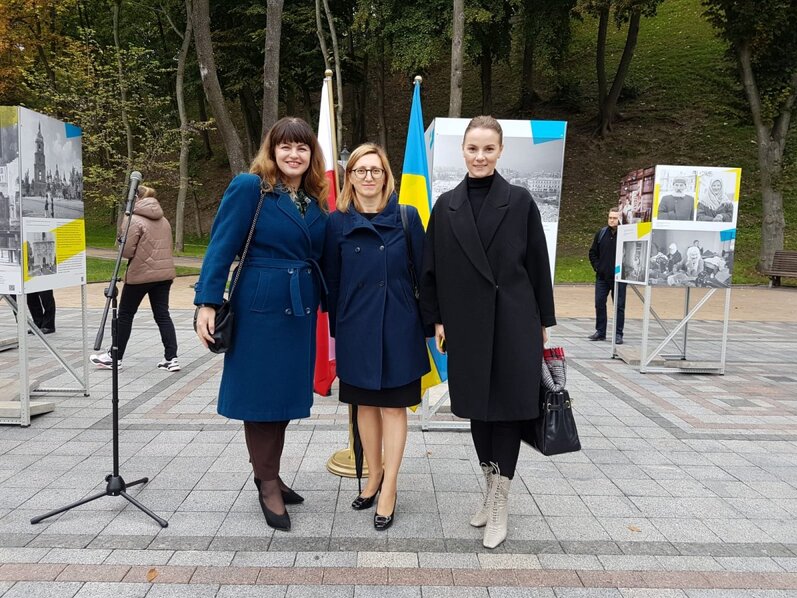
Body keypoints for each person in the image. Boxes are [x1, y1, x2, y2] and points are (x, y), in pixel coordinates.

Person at [420, 116, 556, 549]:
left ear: (500, 152)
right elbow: (431, 270)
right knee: (478, 410)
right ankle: (489, 487)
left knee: (511, 410)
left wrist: (543, 325)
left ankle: (501, 501)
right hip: (466, 323)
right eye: (473, 148)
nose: (480, 157)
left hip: (515, 320)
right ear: (462, 151)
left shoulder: (519, 201)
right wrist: (437, 319)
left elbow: (538, 265)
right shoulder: (445, 206)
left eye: (488, 149)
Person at [194, 117, 328, 532]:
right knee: (262, 400)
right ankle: (266, 482)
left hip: (300, 309)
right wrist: (207, 302)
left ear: (311, 154)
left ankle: (269, 471)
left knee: (283, 399)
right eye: (285, 147)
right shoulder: (251, 187)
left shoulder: (313, 200)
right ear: (271, 151)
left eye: (302, 148)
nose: (293, 154)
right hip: (260, 309)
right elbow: (221, 244)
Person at [323, 143, 430, 531]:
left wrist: (430, 322)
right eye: (360, 170)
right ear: (349, 176)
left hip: (399, 327)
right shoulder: (336, 222)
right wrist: (340, 328)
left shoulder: (407, 217)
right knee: (364, 407)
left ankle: (391, 488)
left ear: (387, 176)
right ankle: (373, 475)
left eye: (375, 170)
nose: (368, 176)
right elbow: (331, 280)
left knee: (393, 408)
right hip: (356, 328)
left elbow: (425, 273)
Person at [90, 185, 179, 372]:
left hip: (140, 274)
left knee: (125, 315)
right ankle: (171, 358)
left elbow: (127, 251)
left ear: (136, 199)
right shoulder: (163, 220)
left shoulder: (134, 220)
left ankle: (116, 356)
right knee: (162, 315)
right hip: (163, 274)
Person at [588, 209, 626, 345]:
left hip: (619, 277)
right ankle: (600, 332)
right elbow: (592, 252)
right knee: (599, 303)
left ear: (620, 219)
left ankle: (618, 334)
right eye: (610, 217)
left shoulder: (625, 234)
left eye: (615, 218)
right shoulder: (601, 233)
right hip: (602, 277)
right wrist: (597, 267)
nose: (611, 220)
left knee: (619, 306)